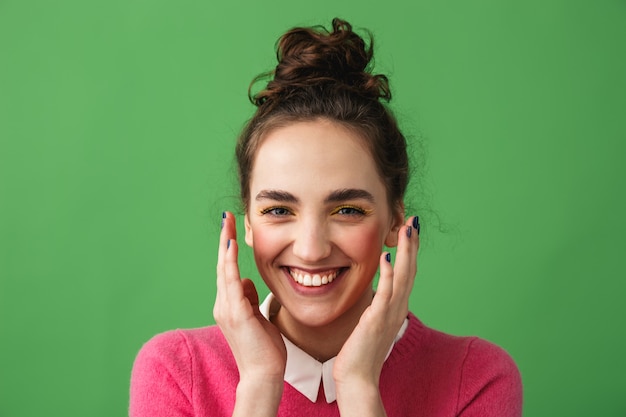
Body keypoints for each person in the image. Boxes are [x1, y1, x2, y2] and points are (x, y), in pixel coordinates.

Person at [129, 18, 523, 417]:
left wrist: (358, 386)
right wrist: (259, 384)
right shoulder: (175, 371)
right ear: (247, 223)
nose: (312, 249)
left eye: (347, 210)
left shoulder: (475, 377)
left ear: (394, 220)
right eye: (279, 210)